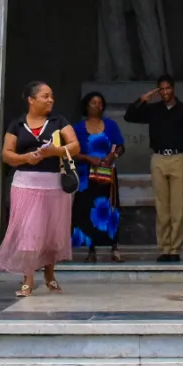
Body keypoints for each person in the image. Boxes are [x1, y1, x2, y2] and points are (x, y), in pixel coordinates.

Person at [0, 81, 75, 297]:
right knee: (29, 232)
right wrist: (26, 157)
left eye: (52, 96)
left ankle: (50, 276)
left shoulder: (59, 121)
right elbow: (6, 154)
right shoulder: (17, 124)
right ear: (31, 99)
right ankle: (28, 279)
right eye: (45, 96)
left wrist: (55, 151)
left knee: (50, 233)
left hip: (53, 183)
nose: (50, 100)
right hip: (26, 183)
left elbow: (75, 146)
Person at [122, 76, 183, 262]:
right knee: (162, 206)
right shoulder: (153, 110)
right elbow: (129, 116)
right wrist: (142, 99)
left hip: (178, 158)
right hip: (158, 158)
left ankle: (175, 250)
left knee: (178, 206)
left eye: (167, 89)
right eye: (161, 89)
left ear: (173, 89)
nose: (164, 92)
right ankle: (164, 248)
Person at [69, 89, 125, 262]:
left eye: (100, 103)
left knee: (110, 210)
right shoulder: (77, 128)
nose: (98, 106)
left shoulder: (111, 125)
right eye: (94, 103)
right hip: (86, 176)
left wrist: (112, 156)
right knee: (86, 210)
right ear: (86, 106)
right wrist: (87, 157)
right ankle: (91, 250)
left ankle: (114, 248)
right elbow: (71, 152)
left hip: (107, 175)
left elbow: (120, 146)